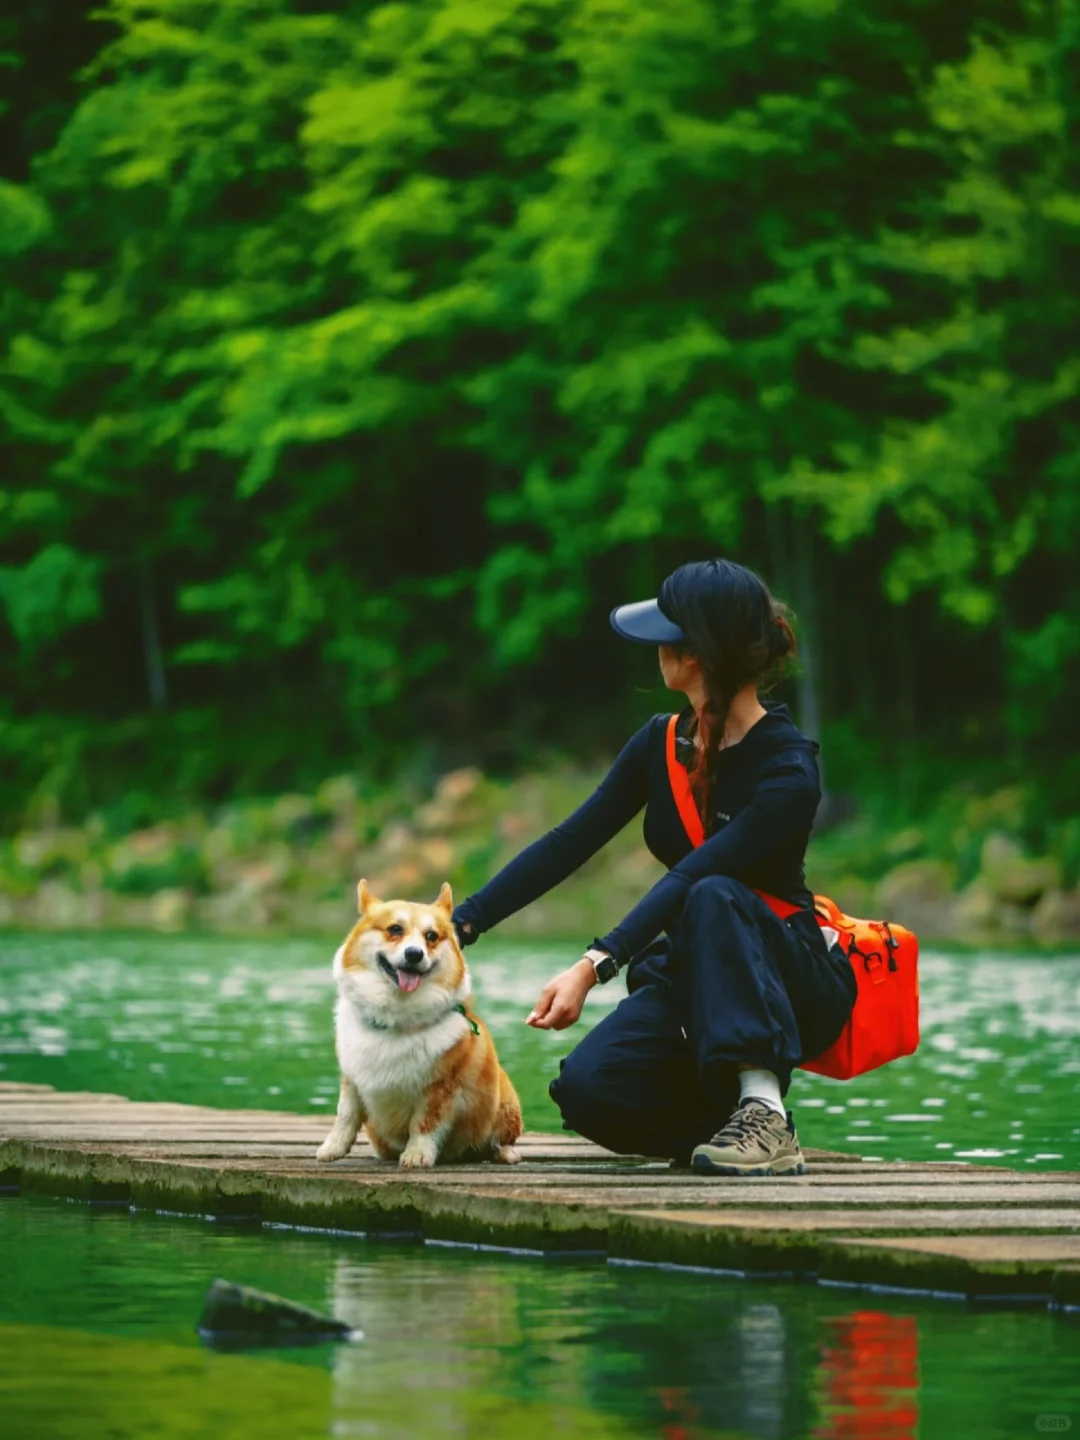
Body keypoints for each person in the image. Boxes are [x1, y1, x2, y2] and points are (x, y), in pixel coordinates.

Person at [451, 558, 857, 1175]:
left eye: (668, 632)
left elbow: (696, 875)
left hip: (785, 975)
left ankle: (765, 1113)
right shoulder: (662, 742)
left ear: (696, 652)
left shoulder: (788, 769)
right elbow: (568, 843)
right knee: (589, 1091)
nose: (655, 646)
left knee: (714, 892)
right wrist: (459, 925)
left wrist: (595, 964)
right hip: (695, 969)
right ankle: (724, 1128)